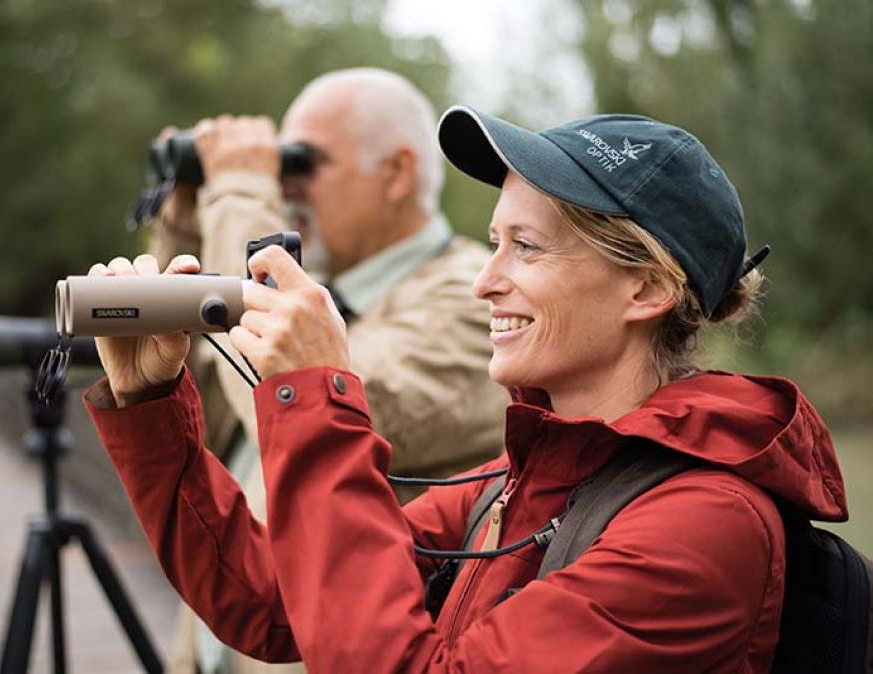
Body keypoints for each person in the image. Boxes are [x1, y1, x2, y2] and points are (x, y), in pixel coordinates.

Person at [85, 107, 847, 672]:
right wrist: (152, 408)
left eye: (525, 248)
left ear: (644, 288)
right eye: (492, 244)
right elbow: (269, 597)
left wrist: (315, 394)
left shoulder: (706, 527)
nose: (486, 283)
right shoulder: (514, 485)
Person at [146, 69, 507, 672]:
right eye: (276, 170)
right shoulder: (318, 299)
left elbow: (307, 403)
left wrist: (237, 193)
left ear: (396, 173)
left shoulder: (473, 300)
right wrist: (186, 232)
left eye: (301, 163)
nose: (284, 191)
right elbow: (203, 416)